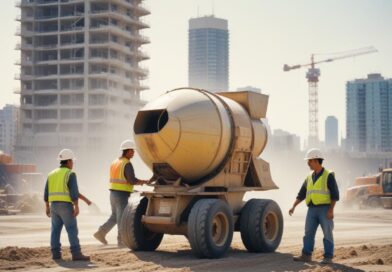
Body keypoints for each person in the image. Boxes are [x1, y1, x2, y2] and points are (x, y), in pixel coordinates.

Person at [93, 140, 150, 247]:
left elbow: (124, 178)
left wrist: (142, 182)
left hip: (113, 193)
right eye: (132, 151)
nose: (133, 153)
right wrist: (143, 182)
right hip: (121, 194)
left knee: (115, 216)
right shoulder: (127, 163)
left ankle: (101, 233)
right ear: (127, 151)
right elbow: (131, 180)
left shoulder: (115, 162)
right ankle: (121, 241)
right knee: (122, 218)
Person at [289, 148, 339, 264]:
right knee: (308, 233)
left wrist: (331, 210)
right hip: (311, 210)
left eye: (309, 161)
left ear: (316, 161)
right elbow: (302, 193)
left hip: (325, 209)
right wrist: (293, 206)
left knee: (327, 233)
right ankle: (306, 255)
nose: (308, 163)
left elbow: (335, 195)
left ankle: (328, 257)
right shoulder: (309, 177)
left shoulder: (328, 175)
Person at [44, 149, 90, 261]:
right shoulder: (70, 174)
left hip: (54, 206)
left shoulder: (51, 174)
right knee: (71, 229)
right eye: (72, 161)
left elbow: (46, 193)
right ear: (68, 161)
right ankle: (76, 253)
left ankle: (55, 254)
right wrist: (76, 206)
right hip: (65, 206)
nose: (73, 164)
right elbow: (74, 192)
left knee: (55, 230)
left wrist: (47, 207)